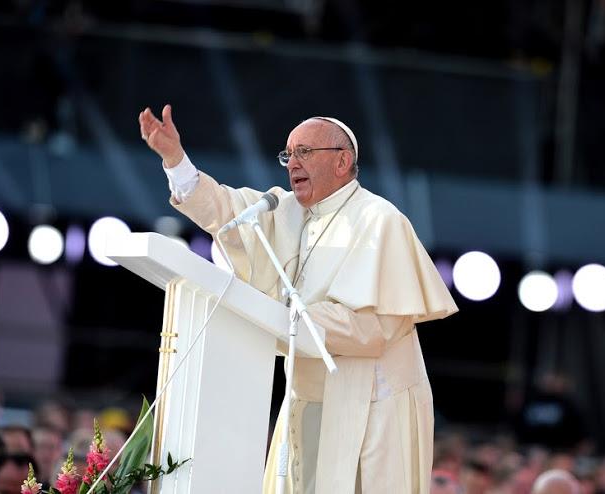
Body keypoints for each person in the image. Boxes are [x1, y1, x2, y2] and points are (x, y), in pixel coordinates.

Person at [139, 105, 458, 493]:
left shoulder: (379, 219)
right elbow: (224, 211)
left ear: (343, 161)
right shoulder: (282, 209)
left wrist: (283, 318)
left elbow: (376, 329)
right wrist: (175, 160)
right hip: (304, 397)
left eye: (305, 152)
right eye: (288, 154)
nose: (293, 163)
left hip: (373, 402)